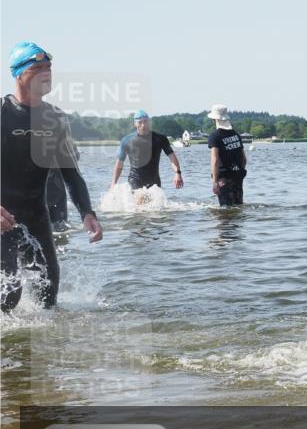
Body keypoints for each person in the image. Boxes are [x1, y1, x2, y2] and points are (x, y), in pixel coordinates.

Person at [1, 42, 102, 311]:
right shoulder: (2, 112)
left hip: (36, 216)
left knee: (47, 295)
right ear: (19, 74)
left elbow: (71, 171)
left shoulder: (55, 117)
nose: (46, 73)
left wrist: (87, 212)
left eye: (49, 67)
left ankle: (44, 353)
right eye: (37, 68)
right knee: (8, 295)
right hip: (2, 218)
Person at [112, 110, 183, 191]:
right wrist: (113, 184)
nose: (143, 125)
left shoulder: (160, 139)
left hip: (154, 181)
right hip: (135, 180)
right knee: (139, 200)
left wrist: (178, 173)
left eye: (145, 121)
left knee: (157, 203)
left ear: (149, 122)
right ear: (135, 124)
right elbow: (119, 165)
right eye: (140, 122)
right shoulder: (127, 140)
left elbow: (172, 157)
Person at [207, 105, 247, 206]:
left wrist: (215, 182)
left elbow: (215, 160)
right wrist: (240, 173)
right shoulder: (235, 134)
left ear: (214, 119)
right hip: (237, 175)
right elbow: (244, 159)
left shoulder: (214, 136)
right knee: (239, 207)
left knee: (225, 211)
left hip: (223, 179)